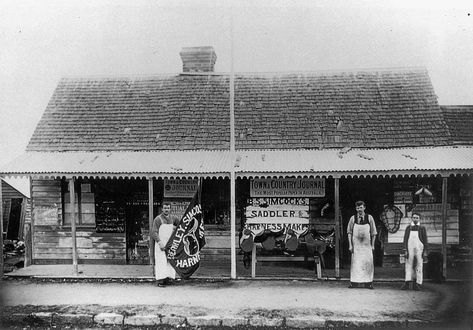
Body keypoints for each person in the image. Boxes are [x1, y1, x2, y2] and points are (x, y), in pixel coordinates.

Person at [347, 200, 377, 289]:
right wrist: (350, 245)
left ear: (364, 207)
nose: (359, 209)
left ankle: (369, 283)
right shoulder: (353, 218)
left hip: (367, 246)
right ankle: (354, 282)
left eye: (360, 207)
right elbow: (349, 232)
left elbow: (374, 232)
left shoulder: (369, 218)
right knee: (355, 264)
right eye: (357, 208)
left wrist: (373, 245)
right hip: (356, 246)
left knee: (368, 263)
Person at [151, 202, 180, 287]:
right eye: (165, 208)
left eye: (168, 208)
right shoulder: (158, 219)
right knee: (161, 261)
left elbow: (180, 225)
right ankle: (160, 281)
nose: (166, 210)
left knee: (169, 261)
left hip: (170, 244)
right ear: (162, 209)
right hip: (161, 244)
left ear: (170, 209)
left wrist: (175, 229)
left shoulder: (174, 218)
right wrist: (159, 242)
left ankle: (168, 278)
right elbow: (154, 232)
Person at [401, 213, 428, 290]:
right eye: (414, 217)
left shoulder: (422, 228)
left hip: (419, 249)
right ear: (411, 218)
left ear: (419, 219)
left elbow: (425, 240)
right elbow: (405, 240)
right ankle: (407, 282)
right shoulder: (408, 228)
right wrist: (405, 250)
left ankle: (417, 283)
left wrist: (425, 251)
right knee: (409, 265)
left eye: (417, 218)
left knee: (419, 265)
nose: (415, 219)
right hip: (410, 249)